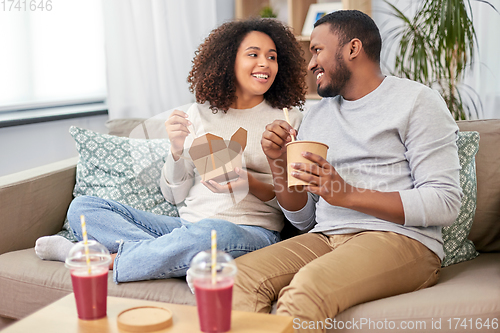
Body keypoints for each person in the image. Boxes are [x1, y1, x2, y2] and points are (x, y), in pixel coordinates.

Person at [232, 10, 462, 332]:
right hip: (325, 236)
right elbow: (305, 220)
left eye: (317, 50)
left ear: (353, 49)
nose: (310, 63)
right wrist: (278, 164)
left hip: (401, 240)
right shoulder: (316, 116)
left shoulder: (417, 102)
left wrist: (346, 194)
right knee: (237, 278)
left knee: (306, 290)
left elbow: (445, 202)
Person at [34, 18, 306, 283]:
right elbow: (174, 194)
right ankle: (182, 257)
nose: (265, 63)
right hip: (185, 227)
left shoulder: (289, 119)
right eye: (253, 54)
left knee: (211, 233)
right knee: (84, 207)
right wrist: (176, 150)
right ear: (228, 61)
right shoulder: (200, 114)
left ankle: (102, 258)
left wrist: (250, 183)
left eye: (272, 57)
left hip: (250, 232)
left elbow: (295, 207)